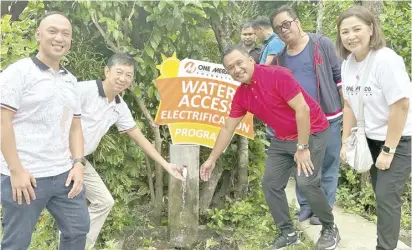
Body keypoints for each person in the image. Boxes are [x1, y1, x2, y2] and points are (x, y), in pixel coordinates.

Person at [200, 45, 340, 250]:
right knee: (270, 184)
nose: (237, 69)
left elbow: (302, 108)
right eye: (231, 68)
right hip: (282, 137)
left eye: (239, 63)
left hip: (312, 130)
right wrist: (211, 159)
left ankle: (329, 228)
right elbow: (227, 128)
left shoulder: (277, 75)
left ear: (250, 60)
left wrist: (302, 147)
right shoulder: (241, 95)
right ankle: (288, 233)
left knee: (306, 182)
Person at [76, 53, 185, 249]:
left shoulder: (119, 106)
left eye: (128, 75)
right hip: (57, 158)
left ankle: (81, 245)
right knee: (66, 210)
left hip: (80, 161)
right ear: (106, 71)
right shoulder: (83, 90)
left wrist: (166, 165)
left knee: (104, 201)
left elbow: (139, 137)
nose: (123, 78)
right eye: (119, 72)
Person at [0, 12, 90, 250]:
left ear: (70, 41)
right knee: (16, 242)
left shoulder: (71, 80)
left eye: (66, 34)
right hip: (26, 176)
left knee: (77, 230)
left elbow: (75, 127)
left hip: (63, 174)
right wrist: (16, 171)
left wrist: (79, 164)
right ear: (38, 34)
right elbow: (2, 122)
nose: (59, 37)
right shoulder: (18, 73)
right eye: (53, 31)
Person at [337, 6, 411, 250]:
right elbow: (348, 105)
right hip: (370, 138)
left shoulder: (386, 60)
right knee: (382, 195)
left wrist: (388, 150)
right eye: (345, 31)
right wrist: (345, 141)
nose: (351, 36)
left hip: (397, 138)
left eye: (357, 29)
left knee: (387, 198)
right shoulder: (348, 63)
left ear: (371, 28)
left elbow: (400, 106)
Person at [270, 5, 343, 225]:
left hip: (329, 118)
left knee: (328, 167)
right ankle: (305, 207)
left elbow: (339, 78)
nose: (283, 30)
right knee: (302, 167)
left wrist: (349, 112)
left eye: (286, 24)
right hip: (299, 124)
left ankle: (324, 210)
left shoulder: (321, 44)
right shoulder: (280, 59)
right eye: (278, 28)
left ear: (297, 21)